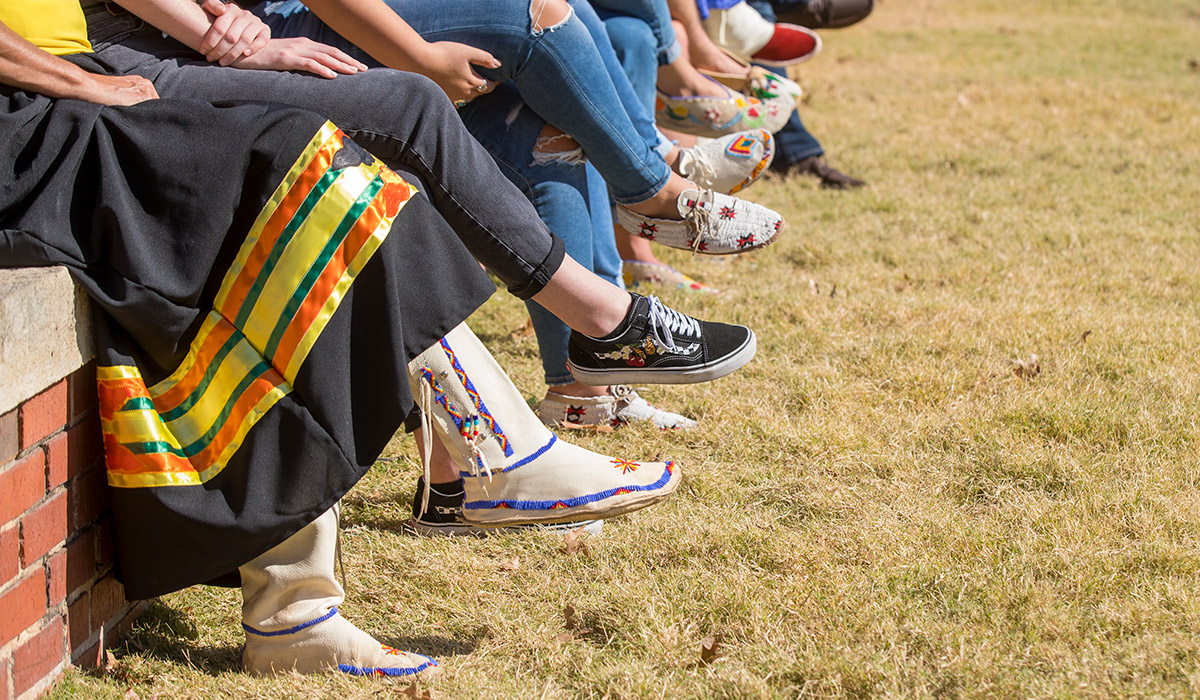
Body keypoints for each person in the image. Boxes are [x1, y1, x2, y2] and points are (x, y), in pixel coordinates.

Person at [0, 1, 744, 676]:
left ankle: (311, 600)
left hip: (74, 91)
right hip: (39, 119)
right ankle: (490, 452)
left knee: (309, 176)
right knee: (304, 164)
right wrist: (85, 84)